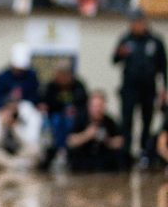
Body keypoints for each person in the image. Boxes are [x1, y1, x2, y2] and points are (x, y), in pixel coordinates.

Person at [112, 9, 167, 165]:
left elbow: (164, 67)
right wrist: (119, 53)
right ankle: (126, 154)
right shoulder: (125, 39)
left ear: (144, 22)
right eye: (132, 22)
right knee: (127, 121)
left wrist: (165, 88)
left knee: (147, 120)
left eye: (138, 21)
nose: (135, 25)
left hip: (149, 88)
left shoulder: (155, 41)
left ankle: (144, 153)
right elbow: (114, 60)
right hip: (129, 88)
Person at [40, 61, 88, 167]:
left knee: (69, 121)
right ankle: (58, 150)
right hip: (55, 116)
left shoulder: (78, 85)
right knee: (56, 121)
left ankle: (67, 150)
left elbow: (83, 103)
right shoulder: (51, 86)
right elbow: (47, 103)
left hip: (74, 117)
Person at [66, 91, 124, 172]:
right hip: (83, 161)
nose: (97, 109)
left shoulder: (109, 121)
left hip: (103, 161)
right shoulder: (80, 119)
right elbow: (70, 141)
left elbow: (120, 141)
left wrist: (107, 140)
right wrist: (87, 135)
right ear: (89, 106)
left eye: (100, 106)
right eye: (95, 106)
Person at [0, 99, 43, 170]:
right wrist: (1, 127)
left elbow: (30, 142)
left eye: (13, 111)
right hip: (2, 154)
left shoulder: (24, 118)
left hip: (20, 154)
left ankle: (8, 164)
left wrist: (15, 128)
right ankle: (12, 164)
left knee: (36, 149)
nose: (10, 114)